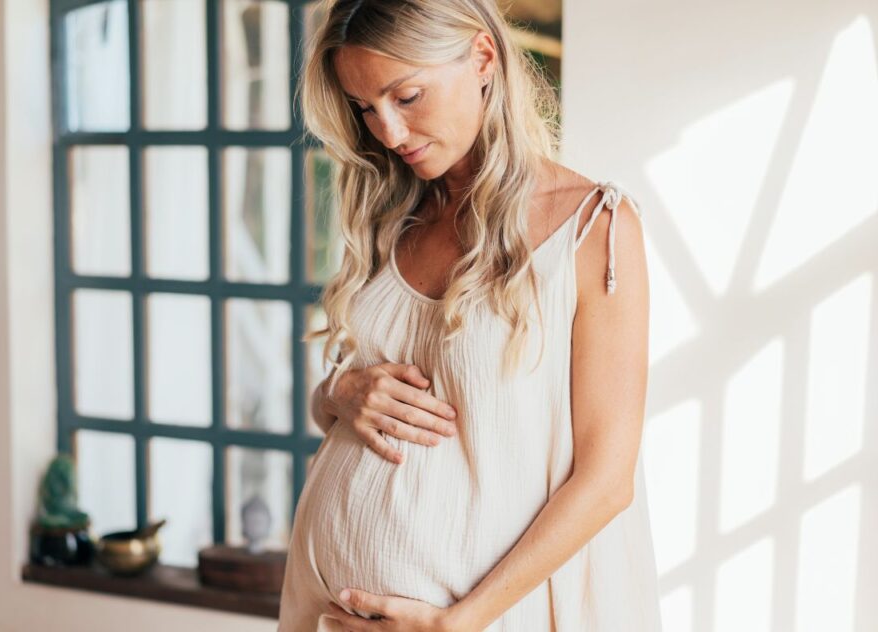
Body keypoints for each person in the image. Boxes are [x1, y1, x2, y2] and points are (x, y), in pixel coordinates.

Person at [279, 0, 663, 630]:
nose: (389, 133)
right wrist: (338, 392)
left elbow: (606, 480)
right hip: (326, 610)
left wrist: (454, 622)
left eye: (406, 96)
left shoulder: (594, 230)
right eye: (364, 108)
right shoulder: (393, 214)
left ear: (483, 58)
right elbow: (343, 412)